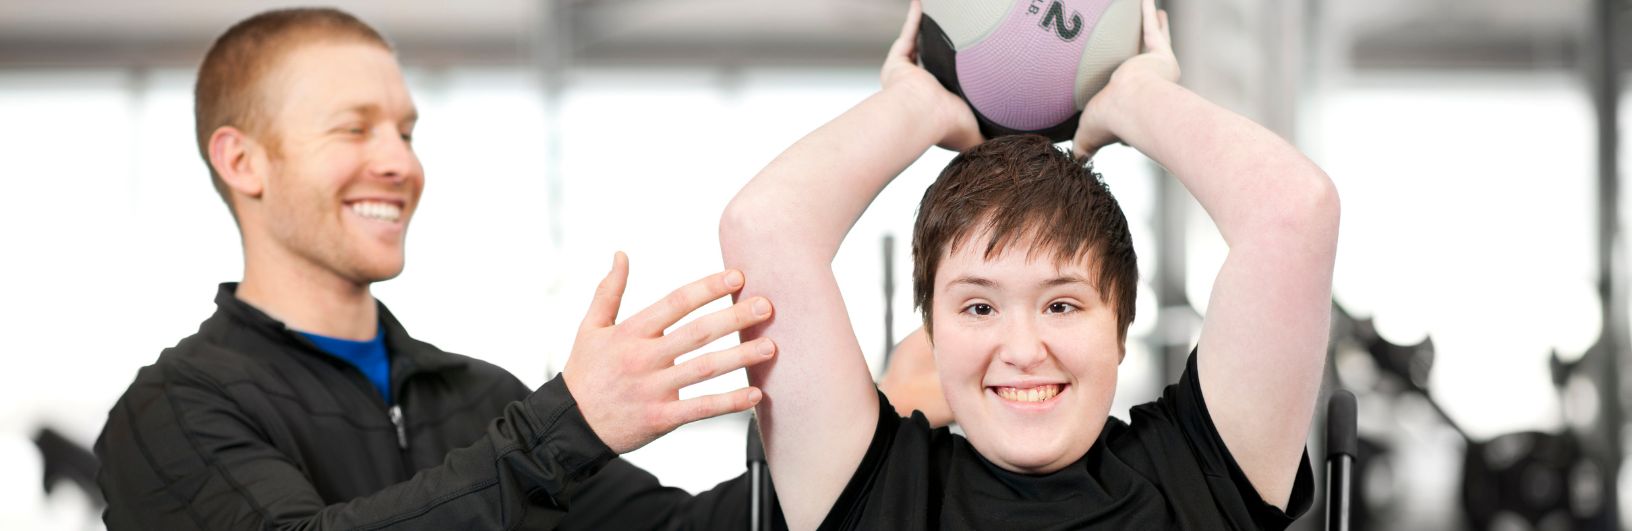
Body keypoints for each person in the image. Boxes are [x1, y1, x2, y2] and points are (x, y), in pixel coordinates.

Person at [96, 8, 786, 529]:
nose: (401, 163)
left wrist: (872, 430)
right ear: (242, 161)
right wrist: (567, 426)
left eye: (406, 132)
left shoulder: (478, 399)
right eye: (353, 128)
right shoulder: (170, 414)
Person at [719, 0, 1338, 528]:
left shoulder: (1197, 477)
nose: (1022, 349)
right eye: (980, 306)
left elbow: (1293, 211)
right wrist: (919, 104)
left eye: (1062, 304)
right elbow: (765, 227)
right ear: (931, 333)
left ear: (1121, 326)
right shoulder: (877, 490)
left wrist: (1136, 97)